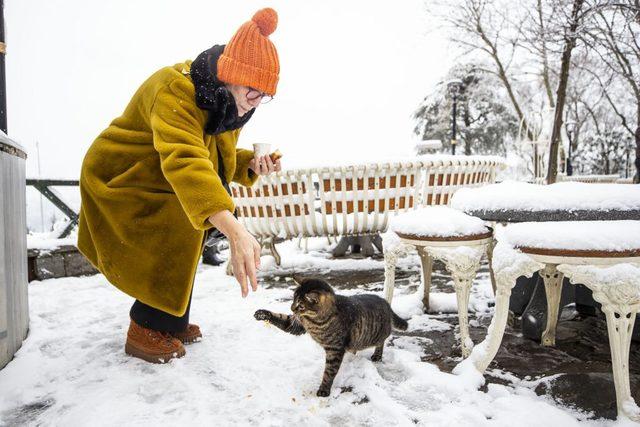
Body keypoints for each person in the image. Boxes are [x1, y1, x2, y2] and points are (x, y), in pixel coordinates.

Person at [77, 8, 281, 363]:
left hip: (158, 171)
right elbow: (186, 160)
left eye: (265, 93)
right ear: (231, 74)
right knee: (180, 211)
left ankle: (170, 320)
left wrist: (250, 163)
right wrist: (234, 229)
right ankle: (145, 327)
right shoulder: (177, 91)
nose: (256, 99)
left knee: (192, 211)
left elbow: (212, 153)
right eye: (253, 89)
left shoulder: (230, 102)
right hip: (120, 177)